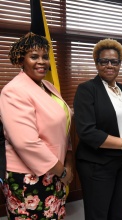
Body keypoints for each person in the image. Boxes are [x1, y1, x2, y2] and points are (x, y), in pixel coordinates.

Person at [0, 32, 73, 219]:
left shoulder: (48, 86)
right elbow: (26, 143)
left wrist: (67, 163)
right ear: (21, 59)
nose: (41, 62)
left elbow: (63, 124)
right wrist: (62, 171)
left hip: (54, 170)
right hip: (28, 177)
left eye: (45, 57)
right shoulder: (14, 91)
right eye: (34, 56)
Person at [73, 38, 122, 220]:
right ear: (97, 64)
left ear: (120, 64)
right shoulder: (86, 89)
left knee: (119, 212)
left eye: (114, 61)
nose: (110, 65)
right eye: (104, 61)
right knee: (99, 214)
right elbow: (87, 131)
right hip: (97, 164)